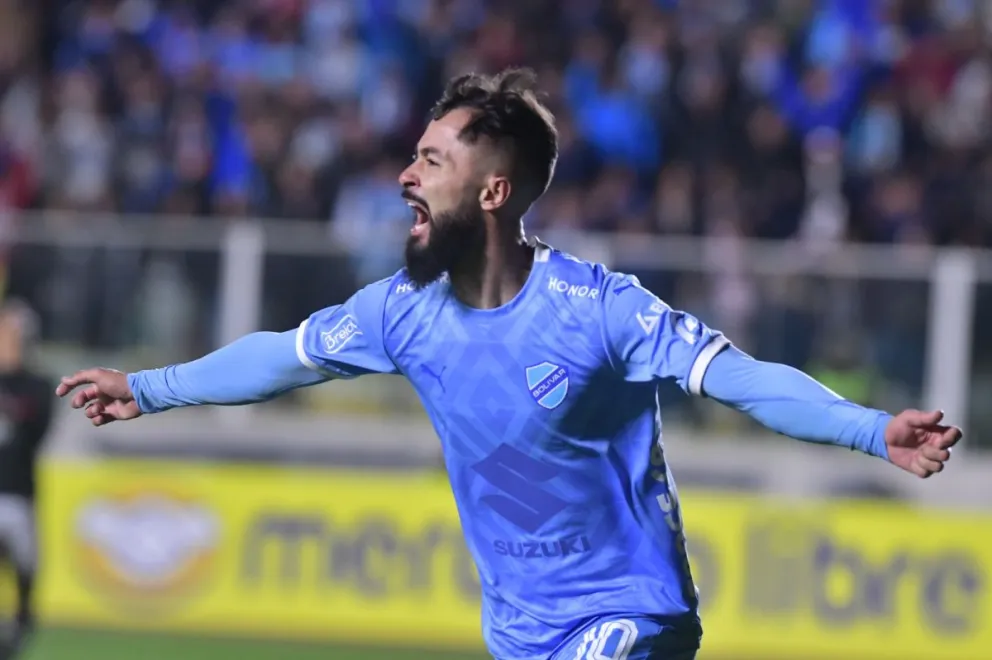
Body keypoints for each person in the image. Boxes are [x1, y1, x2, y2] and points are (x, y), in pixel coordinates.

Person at [56, 69, 960, 660]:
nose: (406, 175)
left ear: (492, 193)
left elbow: (747, 380)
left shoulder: (602, 310)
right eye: (413, 156)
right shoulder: (400, 312)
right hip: (520, 633)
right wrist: (146, 388)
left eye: (430, 160)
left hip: (629, 615)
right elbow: (283, 358)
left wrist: (872, 430)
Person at [0, 301, 53, 656]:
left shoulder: (36, 384)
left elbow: (36, 432)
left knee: (24, 566)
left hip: (17, 491)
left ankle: (19, 629)